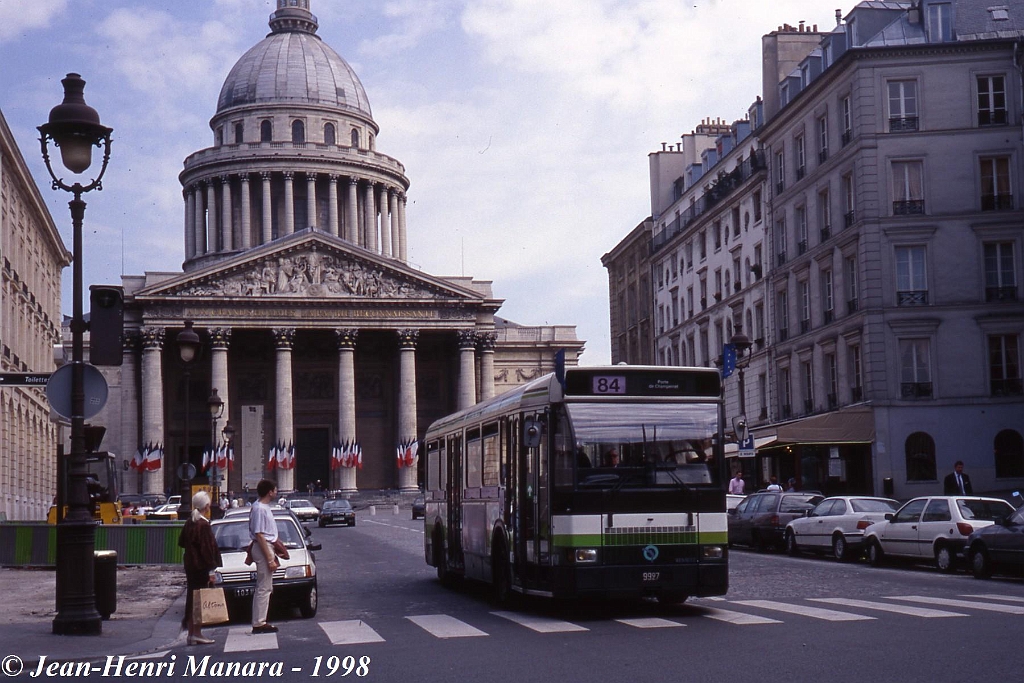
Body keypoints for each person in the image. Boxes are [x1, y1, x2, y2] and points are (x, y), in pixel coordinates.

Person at [178, 490, 222, 646]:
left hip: (190, 566)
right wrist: (211, 570)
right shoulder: (203, 524)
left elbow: (181, 542)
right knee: (200, 601)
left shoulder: (190, 521)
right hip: (201, 567)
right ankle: (197, 633)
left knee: (192, 600)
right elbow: (207, 549)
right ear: (207, 506)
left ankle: (191, 634)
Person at [249, 478, 280, 634]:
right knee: (264, 587)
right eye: (275, 489)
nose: (276, 492)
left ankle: (260, 620)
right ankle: (259, 622)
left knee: (264, 586)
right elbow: (260, 535)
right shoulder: (260, 509)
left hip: (264, 547)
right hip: (263, 548)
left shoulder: (259, 507)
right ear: (269, 492)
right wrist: (270, 558)